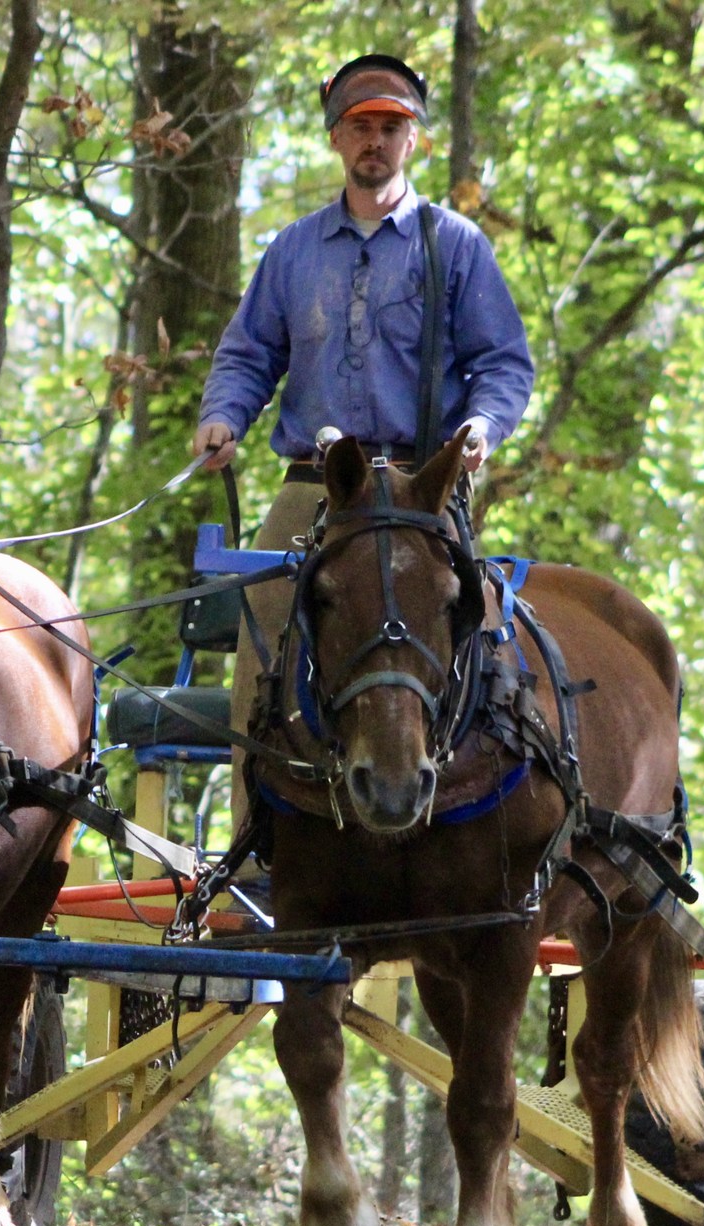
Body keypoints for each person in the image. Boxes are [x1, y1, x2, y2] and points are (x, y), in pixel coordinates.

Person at [192, 53, 536, 812]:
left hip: (420, 484)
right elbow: (249, 354)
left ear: (412, 141)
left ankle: (474, 821)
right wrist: (223, 415)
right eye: (360, 127)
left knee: (471, 630)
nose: (375, 141)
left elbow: (504, 363)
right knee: (266, 628)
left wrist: (483, 423)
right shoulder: (293, 251)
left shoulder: (456, 246)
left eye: (390, 127)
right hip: (318, 485)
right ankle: (258, 846)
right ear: (336, 140)